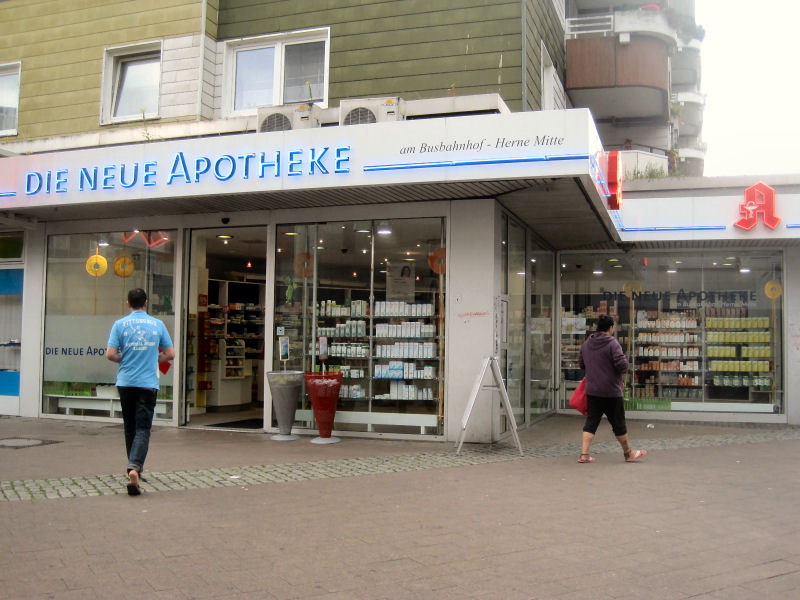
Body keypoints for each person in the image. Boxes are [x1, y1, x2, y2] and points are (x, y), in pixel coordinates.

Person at [106, 288, 174, 495]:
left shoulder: (119, 325)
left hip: (125, 382)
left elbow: (110, 354)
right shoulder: (158, 324)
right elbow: (170, 354)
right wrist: (155, 359)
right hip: (147, 384)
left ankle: (132, 469)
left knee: (130, 426)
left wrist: (124, 359)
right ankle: (135, 467)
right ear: (146, 303)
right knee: (143, 428)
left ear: (128, 303)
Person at [577, 314, 646, 464]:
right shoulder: (612, 343)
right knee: (618, 422)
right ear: (610, 328)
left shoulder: (587, 343)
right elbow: (621, 365)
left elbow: (581, 364)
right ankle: (628, 453)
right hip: (611, 391)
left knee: (591, 422)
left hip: (592, 390)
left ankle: (584, 454)